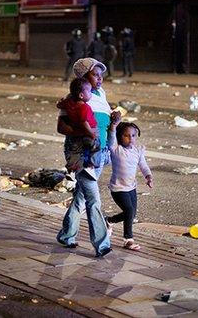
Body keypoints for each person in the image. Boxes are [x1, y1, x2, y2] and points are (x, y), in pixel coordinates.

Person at [56, 57, 120, 258]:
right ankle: (102, 245)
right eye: (95, 74)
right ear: (84, 77)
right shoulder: (74, 99)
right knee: (94, 200)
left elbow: (105, 124)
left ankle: (67, 235)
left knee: (81, 197)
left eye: (101, 74)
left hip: (99, 154)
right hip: (83, 155)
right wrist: (85, 132)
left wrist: (115, 123)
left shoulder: (100, 94)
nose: (100, 78)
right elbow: (61, 127)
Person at [105, 120, 153, 251]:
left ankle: (109, 220)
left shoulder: (138, 150)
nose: (130, 138)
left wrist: (148, 176)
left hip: (131, 187)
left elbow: (143, 165)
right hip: (118, 188)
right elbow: (111, 137)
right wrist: (113, 126)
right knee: (129, 210)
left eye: (133, 135)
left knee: (132, 214)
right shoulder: (116, 149)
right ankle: (128, 240)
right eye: (126, 135)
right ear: (119, 137)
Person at [56, 77, 101, 170]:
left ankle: (73, 166)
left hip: (77, 134)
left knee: (76, 151)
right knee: (96, 147)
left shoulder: (69, 103)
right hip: (88, 132)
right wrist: (91, 134)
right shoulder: (84, 107)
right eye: (89, 92)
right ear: (81, 95)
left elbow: (60, 105)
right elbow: (84, 122)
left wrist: (60, 103)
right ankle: (92, 164)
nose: (91, 94)